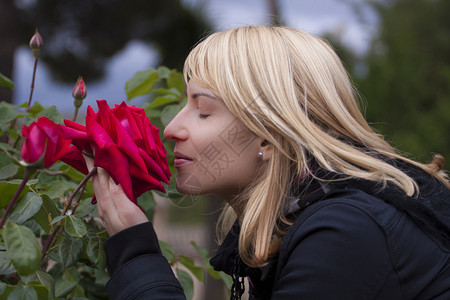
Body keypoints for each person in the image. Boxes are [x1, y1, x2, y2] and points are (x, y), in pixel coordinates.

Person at [83, 25, 450, 299]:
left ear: (268, 134)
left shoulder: (345, 234)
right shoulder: (317, 213)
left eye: (204, 111)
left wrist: (138, 255)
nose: (172, 128)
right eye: (184, 105)